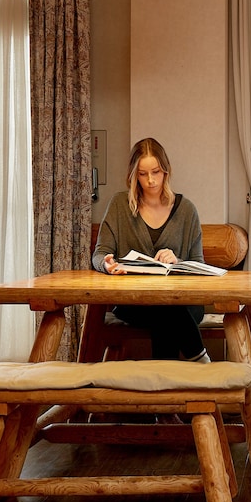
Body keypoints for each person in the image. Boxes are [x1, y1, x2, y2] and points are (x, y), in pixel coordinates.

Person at [92, 137, 210, 363]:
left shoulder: (186, 210)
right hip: (135, 302)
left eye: (156, 172)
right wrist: (107, 265)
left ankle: (164, 381)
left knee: (169, 309)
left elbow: (199, 265)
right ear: (133, 175)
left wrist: (177, 261)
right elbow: (100, 254)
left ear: (166, 171)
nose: (150, 180)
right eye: (142, 174)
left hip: (184, 302)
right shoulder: (119, 205)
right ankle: (200, 360)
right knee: (166, 311)